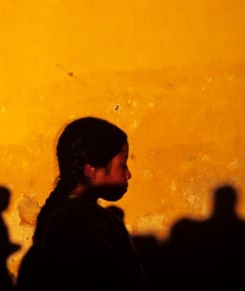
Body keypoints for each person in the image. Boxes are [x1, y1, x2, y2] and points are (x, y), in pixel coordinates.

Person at [16, 116, 147, 291]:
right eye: (122, 165)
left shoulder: (59, 212)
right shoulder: (84, 222)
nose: (128, 174)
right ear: (90, 169)